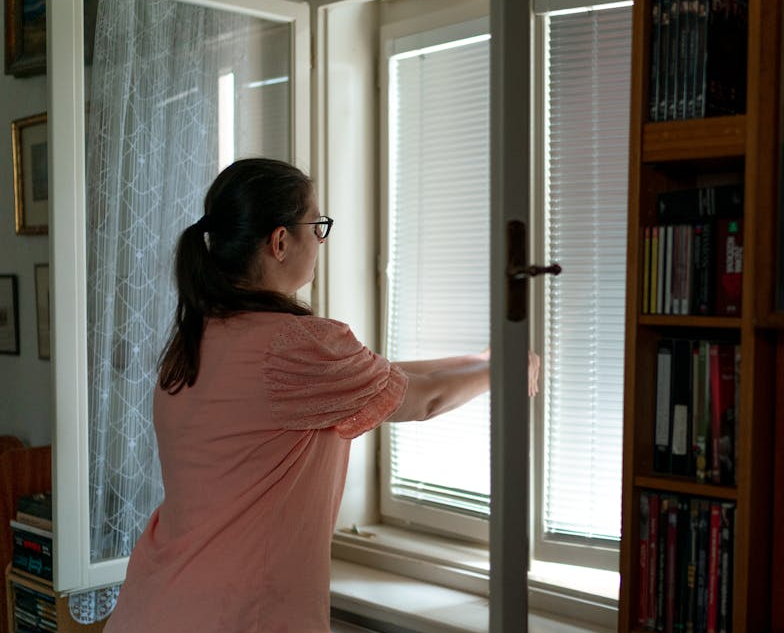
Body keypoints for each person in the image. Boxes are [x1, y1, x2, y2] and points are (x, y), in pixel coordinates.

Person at [104, 157, 539, 633]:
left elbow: (383, 377)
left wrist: (481, 360)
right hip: (235, 614)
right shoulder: (296, 346)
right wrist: (506, 371)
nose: (321, 240)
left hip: (153, 603)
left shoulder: (196, 338)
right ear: (280, 241)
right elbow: (424, 400)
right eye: (317, 226)